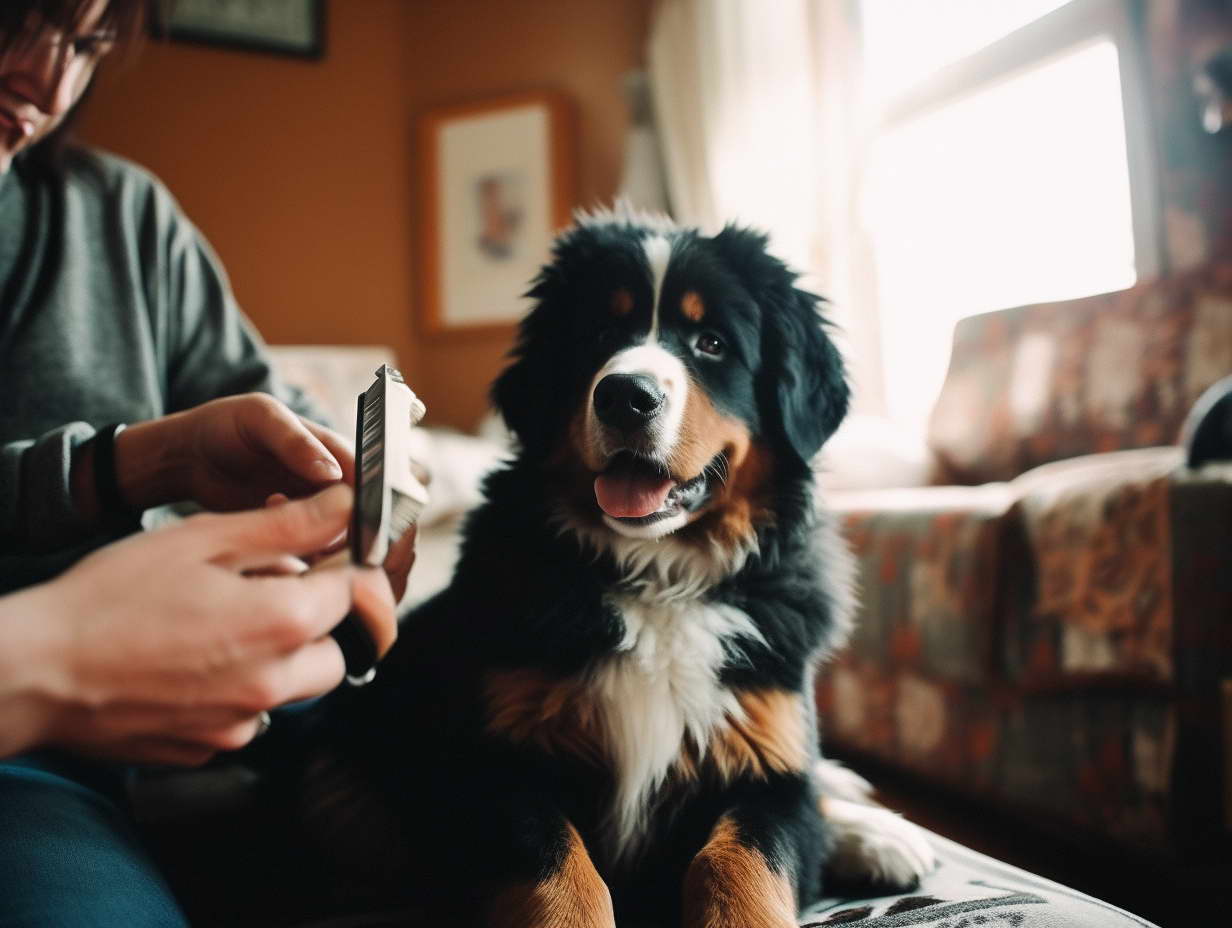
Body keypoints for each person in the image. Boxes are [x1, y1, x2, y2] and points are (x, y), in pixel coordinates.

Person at [0, 1, 407, 924]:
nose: (49, 82)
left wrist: (339, 494)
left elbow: (269, 408)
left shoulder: (127, 218)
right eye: (22, 15)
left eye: (88, 42)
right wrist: (109, 478)